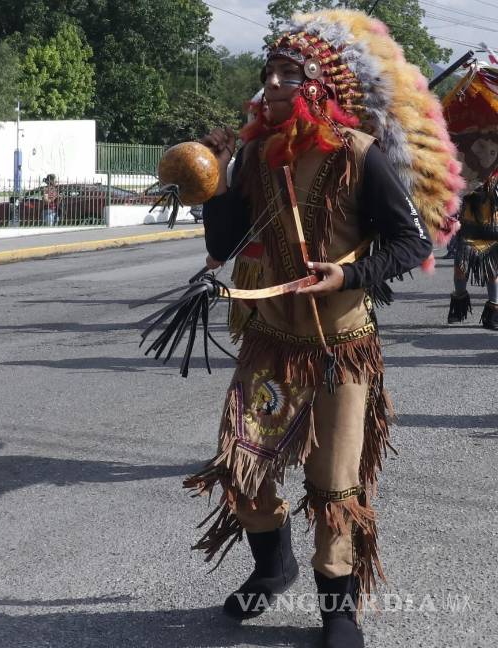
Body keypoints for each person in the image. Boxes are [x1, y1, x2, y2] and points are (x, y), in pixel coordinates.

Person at [185, 11, 460, 648]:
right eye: (268, 73)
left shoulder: (359, 154)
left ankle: (338, 608)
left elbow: (408, 243)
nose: (272, 84)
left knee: (334, 483)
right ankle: (272, 566)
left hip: (340, 350)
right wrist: (218, 178)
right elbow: (224, 244)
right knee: (243, 471)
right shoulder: (252, 155)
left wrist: (346, 276)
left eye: (289, 73)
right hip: (271, 344)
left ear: (320, 87)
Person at [447, 169, 498, 330]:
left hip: (492, 227)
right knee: (460, 269)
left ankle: (493, 312)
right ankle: (459, 303)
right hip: (469, 226)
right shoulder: (466, 164)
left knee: (492, 272)